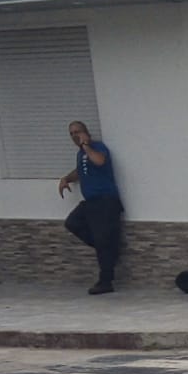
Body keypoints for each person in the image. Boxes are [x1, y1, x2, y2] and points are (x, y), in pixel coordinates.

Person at [58, 120, 122, 295]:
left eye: (77, 132)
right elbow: (80, 171)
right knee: (73, 223)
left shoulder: (97, 148)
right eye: (71, 133)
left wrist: (86, 145)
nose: (75, 136)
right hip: (91, 202)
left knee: (103, 241)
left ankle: (106, 281)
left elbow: (100, 161)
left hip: (106, 200)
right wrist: (66, 179)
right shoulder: (80, 154)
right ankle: (109, 250)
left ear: (86, 132)